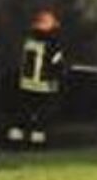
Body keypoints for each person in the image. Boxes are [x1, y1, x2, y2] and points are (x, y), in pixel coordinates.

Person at [8, 10, 66, 148]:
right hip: (43, 86)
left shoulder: (28, 41)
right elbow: (57, 65)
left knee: (23, 113)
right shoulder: (52, 44)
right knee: (41, 115)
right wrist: (61, 74)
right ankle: (37, 143)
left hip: (25, 84)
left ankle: (15, 142)